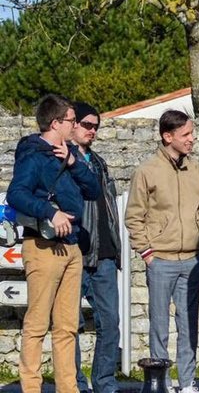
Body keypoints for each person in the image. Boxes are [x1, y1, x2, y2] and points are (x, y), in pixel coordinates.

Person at [7, 94, 100, 393]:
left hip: (71, 246)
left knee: (67, 326)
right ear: (56, 122)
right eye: (72, 120)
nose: (75, 125)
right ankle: (31, 387)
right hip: (44, 247)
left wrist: (74, 163)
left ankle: (67, 388)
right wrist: (50, 211)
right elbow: (16, 194)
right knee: (37, 324)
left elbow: (94, 190)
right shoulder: (33, 155)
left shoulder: (70, 154)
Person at [125, 109, 199, 393]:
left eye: (192, 133)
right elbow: (134, 216)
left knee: (189, 325)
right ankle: (159, 380)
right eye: (186, 134)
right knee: (159, 324)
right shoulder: (147, 171)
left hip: (191, 259)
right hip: (160, 259)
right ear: (167, 136)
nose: (192, 139)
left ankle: (187, 382)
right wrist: (147, 253)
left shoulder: (197, 170)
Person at [71, 102, 122, 393]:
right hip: (75, 251)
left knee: (110, 323)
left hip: (103, 254)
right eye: (87, 125)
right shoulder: (62, 160)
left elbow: (109, 208)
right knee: (71, 325)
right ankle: (75, 384)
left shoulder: (100, 162)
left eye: (95, 126)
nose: (92, 130)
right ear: (72, 124)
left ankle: (104, 383)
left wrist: (114, 248)